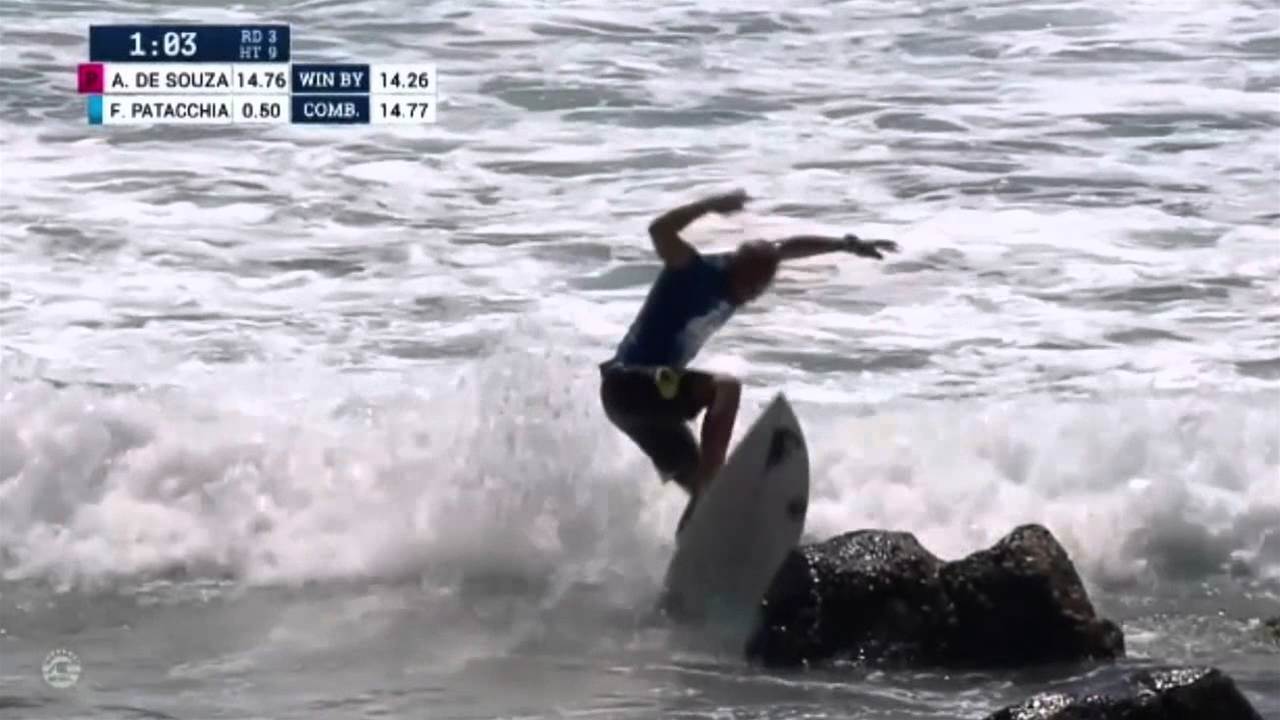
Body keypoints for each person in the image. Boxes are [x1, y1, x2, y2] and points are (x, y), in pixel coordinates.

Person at [598, 188, 899, 531]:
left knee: (702, 488)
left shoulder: (743, 277)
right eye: (751, 283)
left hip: (640, 411)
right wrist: (709, 205)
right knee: (725, 390)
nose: (753, 293)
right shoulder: (693, 270)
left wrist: (845, 244)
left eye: (760, 287)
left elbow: (786, 248)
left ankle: (696, 540)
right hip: (629, 384)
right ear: (736, 266)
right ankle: (710, 490)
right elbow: (659, 230)